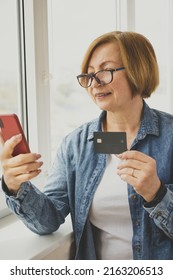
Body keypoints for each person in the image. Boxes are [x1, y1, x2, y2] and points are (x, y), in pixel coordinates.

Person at [1, 31, 173, 260]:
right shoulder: (75, 145)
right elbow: (48, 220)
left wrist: (157, 193)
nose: (94, 83)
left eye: (105, 71)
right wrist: (15, 186)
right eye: (89, 75)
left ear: (138, 70)